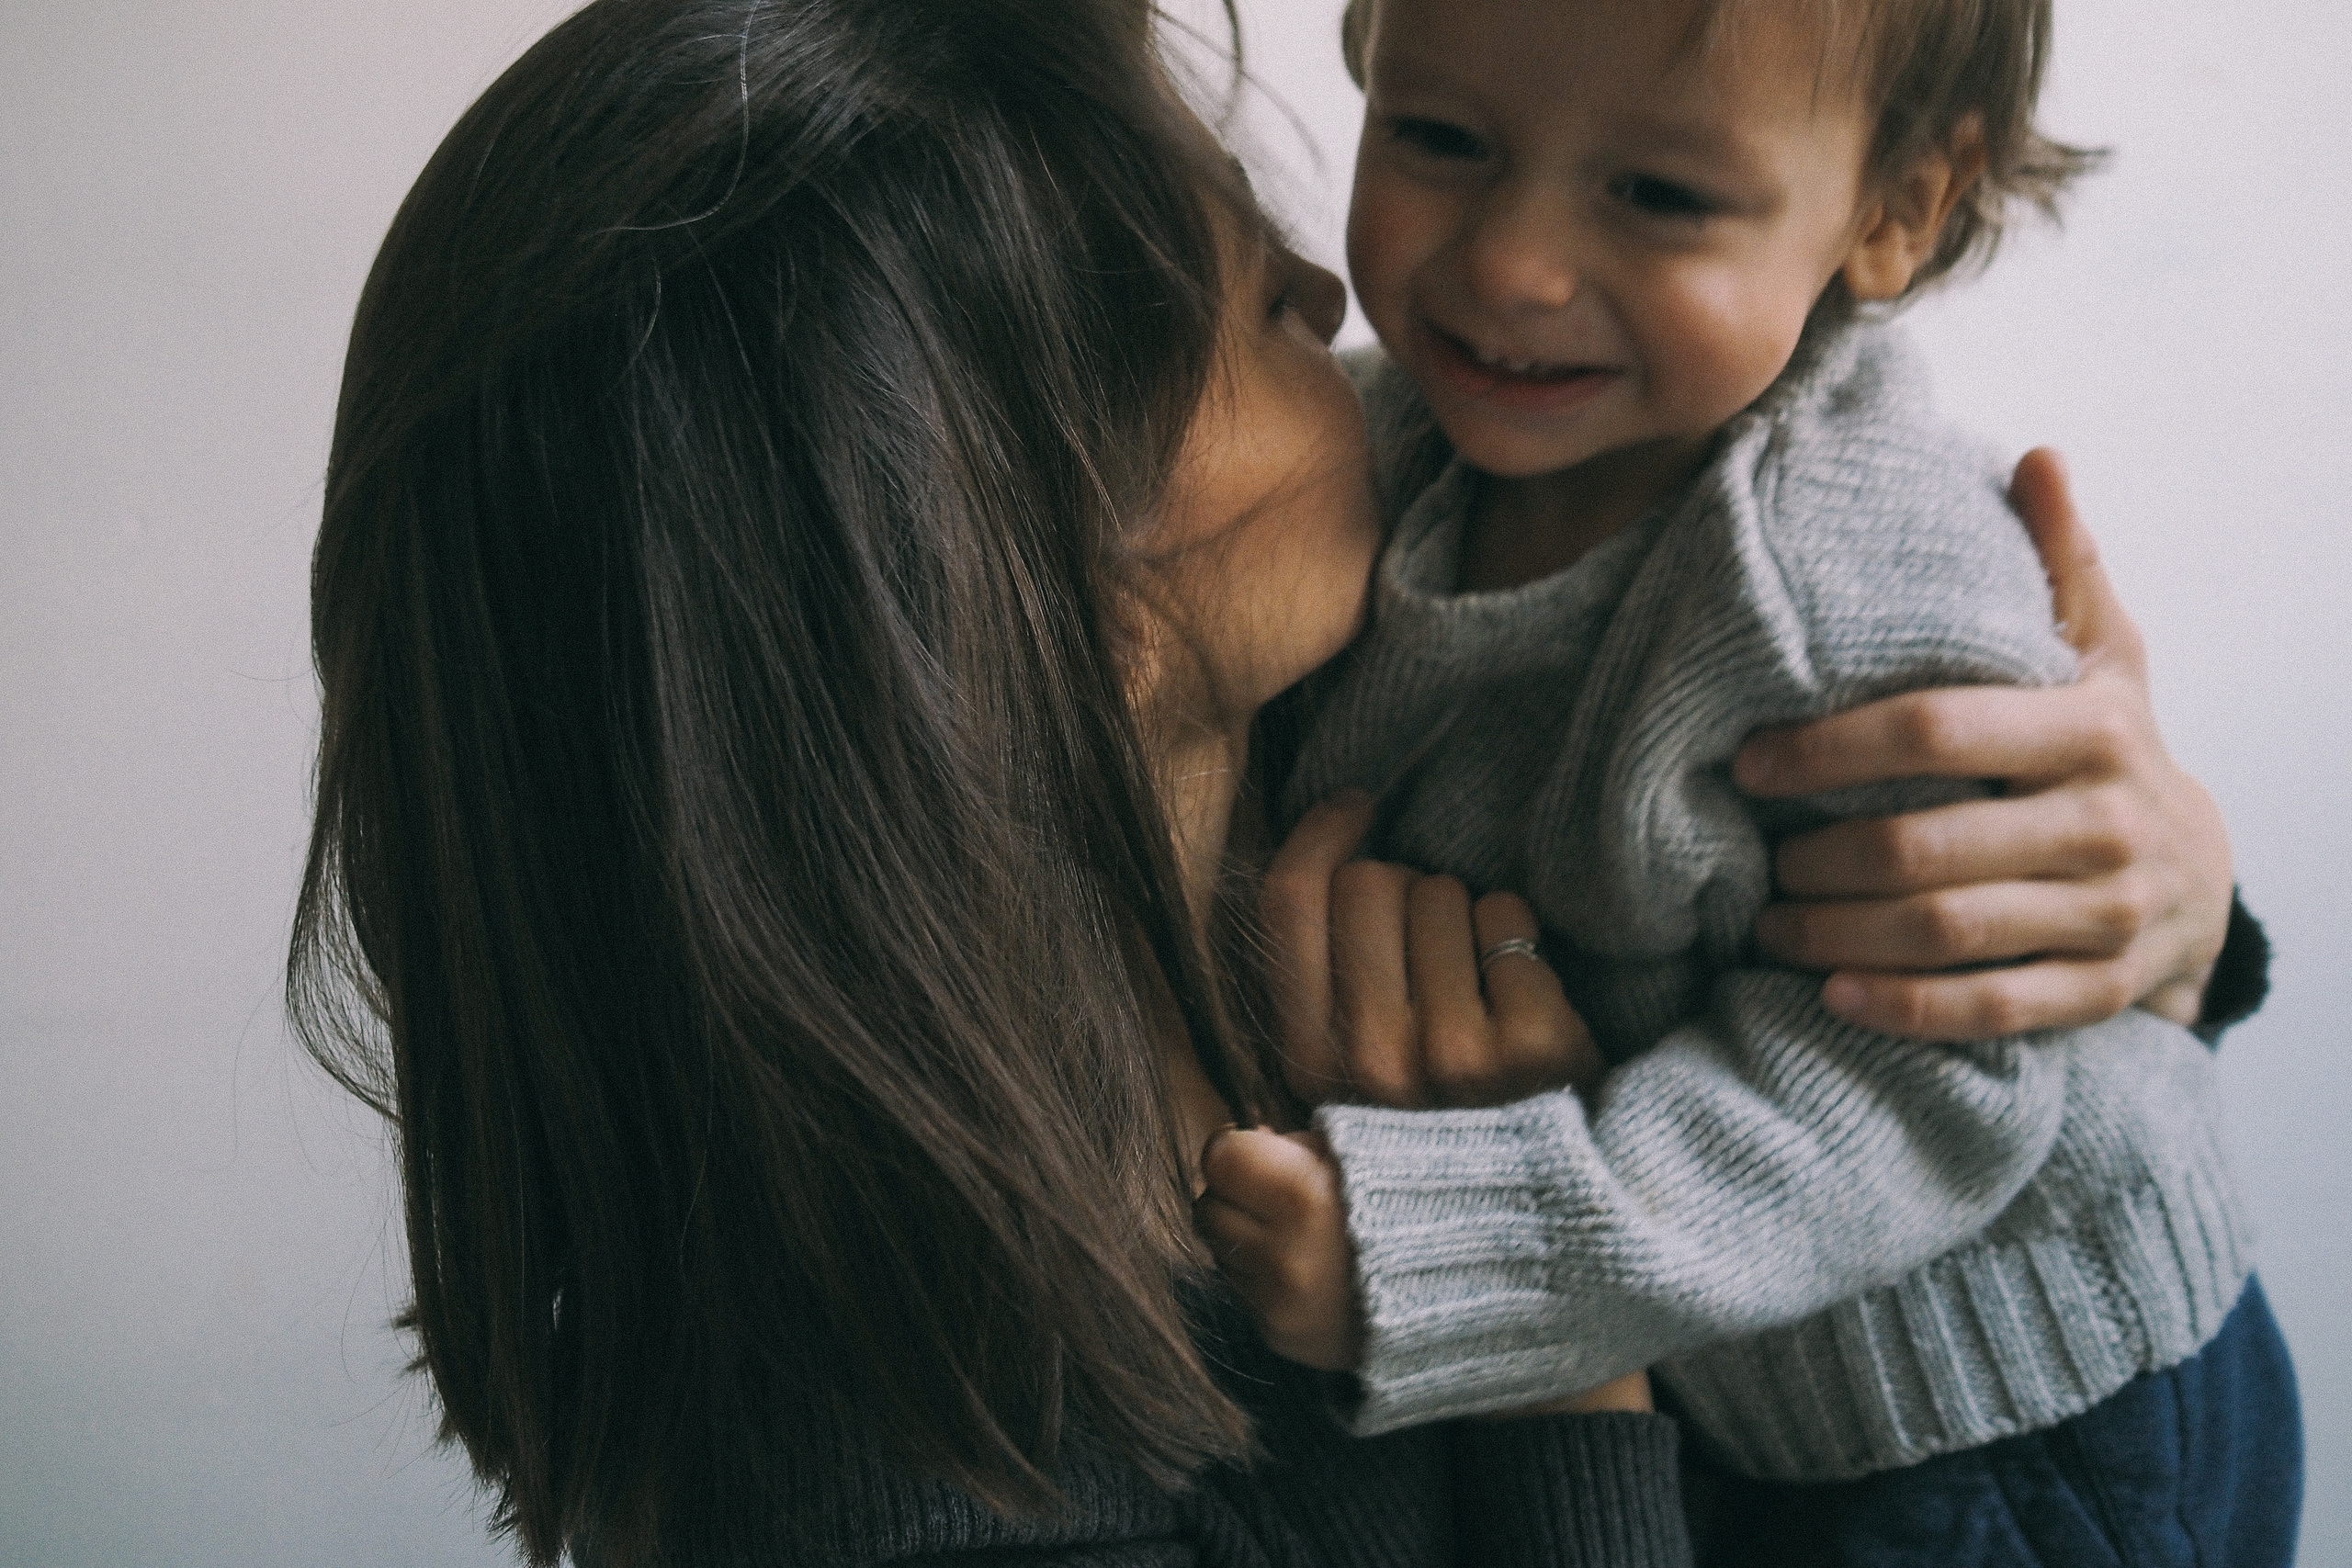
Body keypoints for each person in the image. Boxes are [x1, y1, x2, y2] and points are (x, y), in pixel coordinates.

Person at [286, 0, 2262, 1563]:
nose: (1337, 293)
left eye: (1652, 192)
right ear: (1028, 600)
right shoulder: (934, 1489)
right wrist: (1553, 1377)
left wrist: (2138, 915)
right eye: (1219, 297)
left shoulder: (1318, 773)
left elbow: (1848, 972)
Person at [1196, 0, 2299, 1561]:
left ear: (1897, 209)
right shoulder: (1389, 440)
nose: (1509, 261)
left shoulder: (1842, 583)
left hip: (1999, 1414)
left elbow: (1927, 1085)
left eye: (1656, 196)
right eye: (1443, 139)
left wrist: (1451, 1253)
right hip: (1730, 1371)